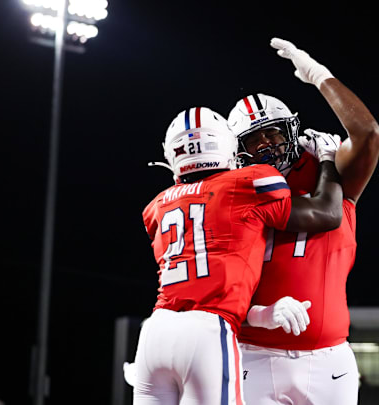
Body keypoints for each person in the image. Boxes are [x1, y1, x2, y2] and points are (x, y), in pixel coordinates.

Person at [132, 106, 344, 405]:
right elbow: (325, 214)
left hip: (155, 331)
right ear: (226, 144)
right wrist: (327, 159)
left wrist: (259, 314)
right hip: (206, 330)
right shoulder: (249, 183)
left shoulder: (155, 206)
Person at [227, 38, 379, 405]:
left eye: (273, 132)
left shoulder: (323, 168)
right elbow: (220, 284)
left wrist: (319, 76)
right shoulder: (234, 191)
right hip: (253, 351)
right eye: (254, 138)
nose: (267, 144)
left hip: (329, 358)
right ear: (236, 149)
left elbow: (368, 134)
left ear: (292, 130)